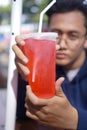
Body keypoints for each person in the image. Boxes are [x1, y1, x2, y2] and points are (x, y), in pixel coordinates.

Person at [12, 0, 87, 129]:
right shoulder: (38, 68)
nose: (62, 45)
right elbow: (22, 120)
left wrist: (75, 120)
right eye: (56, 35)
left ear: (86, 40)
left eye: (73, 36)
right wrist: (22, 72)